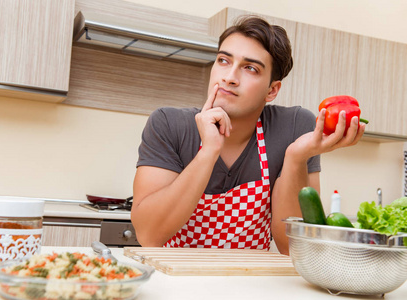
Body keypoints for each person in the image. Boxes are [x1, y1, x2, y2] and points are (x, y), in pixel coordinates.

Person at [131, 15, 365, 255]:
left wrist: (296, 158)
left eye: (250, 68)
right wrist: (208, 152)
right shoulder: (169, 124)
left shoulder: (293, 127)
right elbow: (149, 235)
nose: (229, 77)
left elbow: (293, 247)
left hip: (251, 283)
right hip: (174, 280)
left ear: (272, 90)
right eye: (223, 60)